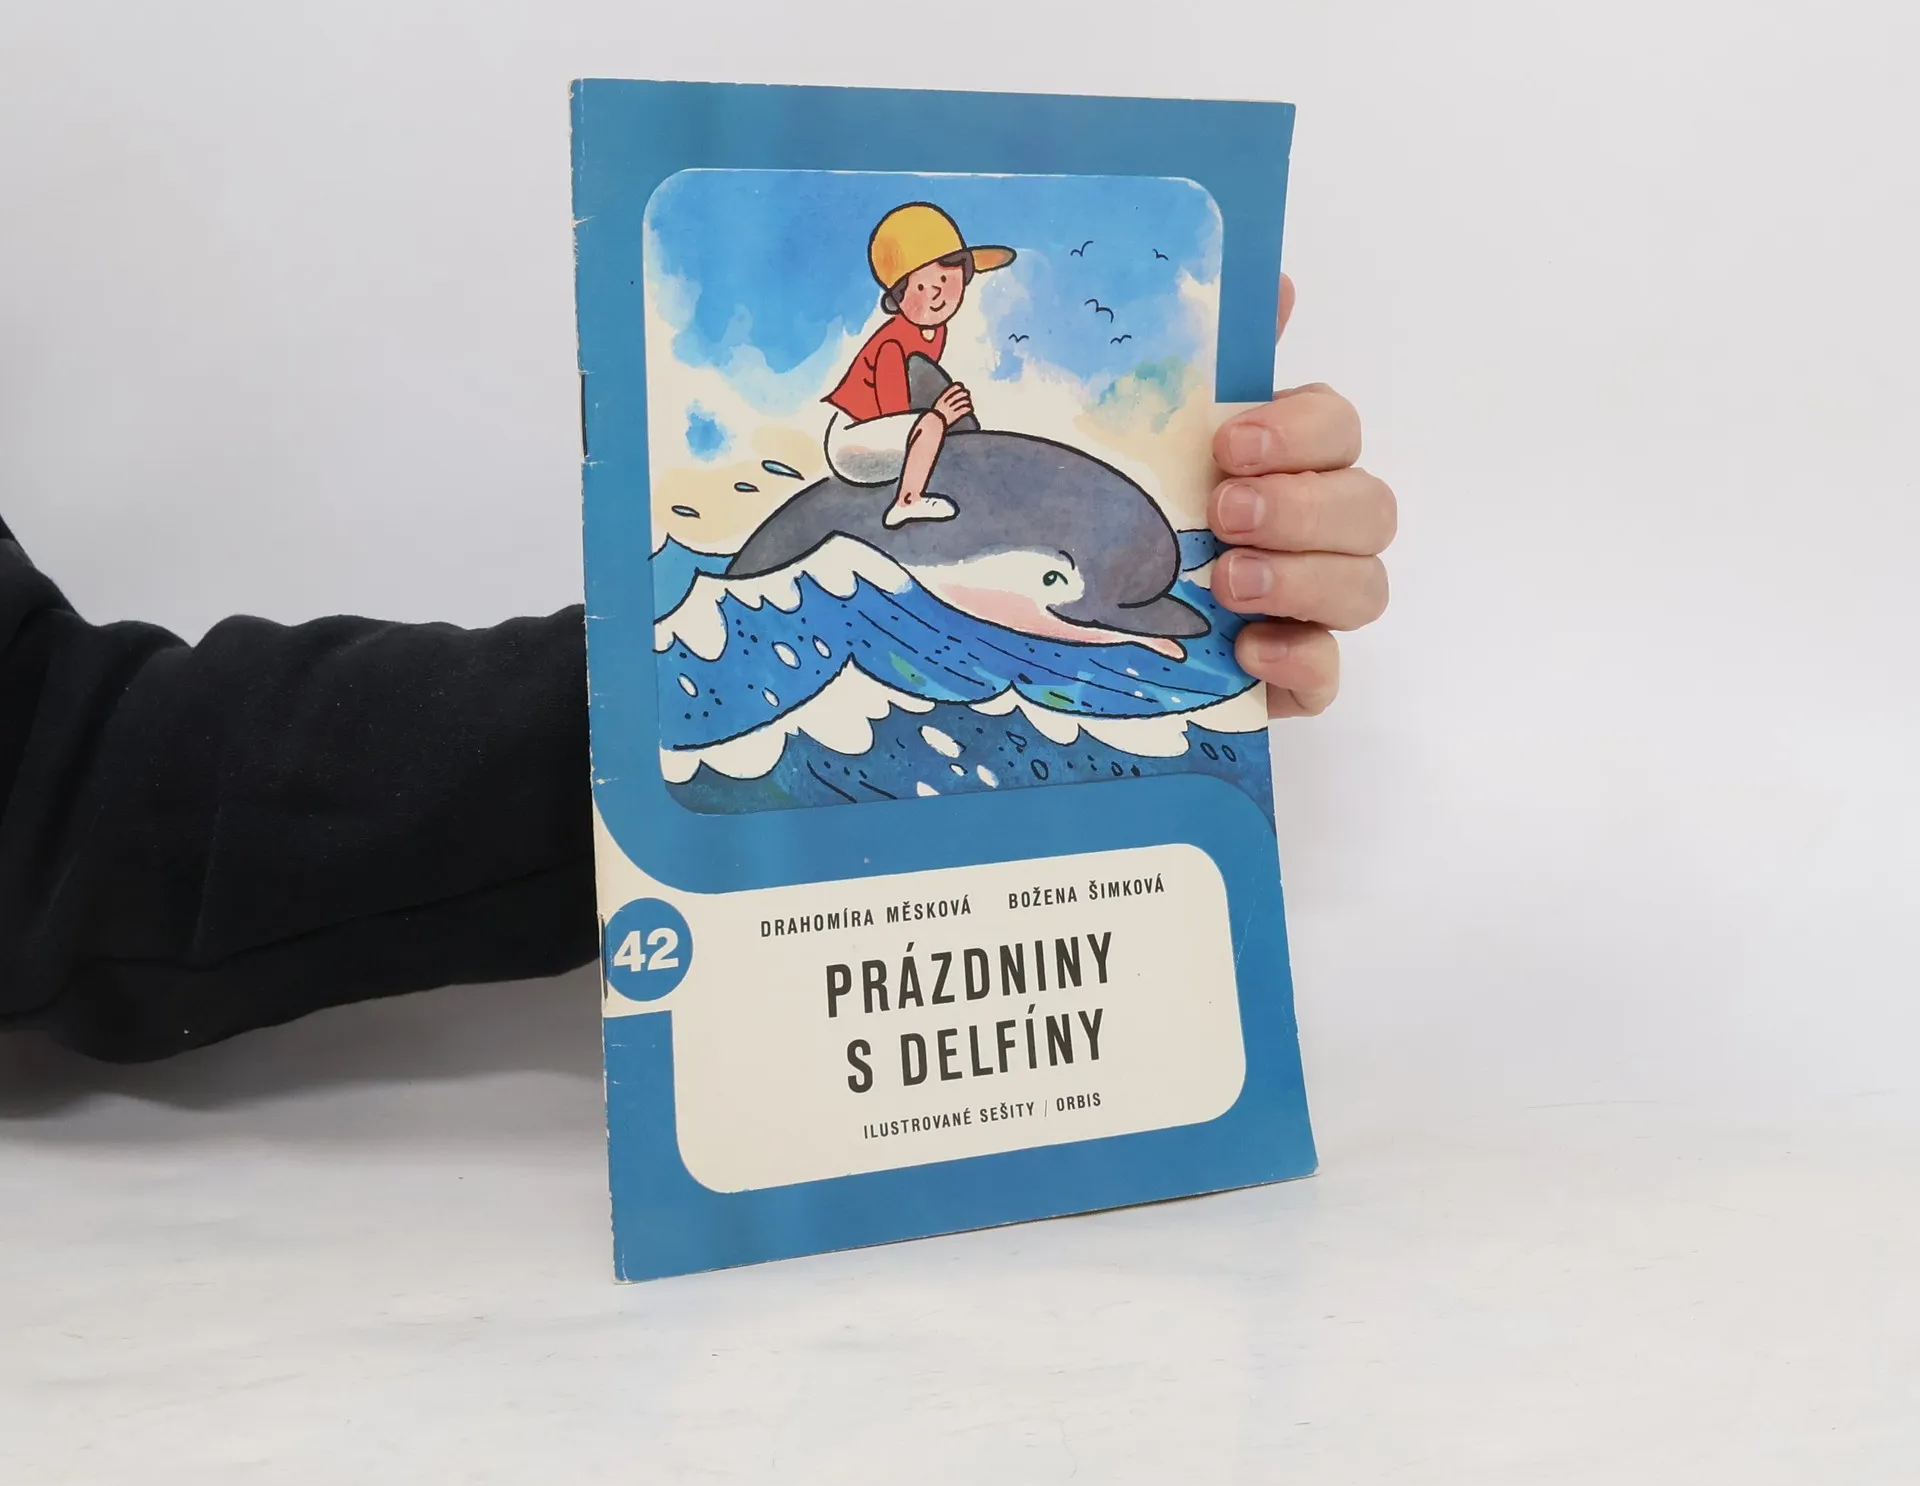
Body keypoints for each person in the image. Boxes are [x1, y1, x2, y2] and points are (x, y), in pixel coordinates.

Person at [0, 277, 1394, 1063]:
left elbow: (55, 775)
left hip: (923, 550)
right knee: (906, 463)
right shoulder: (888, 359)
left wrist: (702, 711)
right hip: (869, 477)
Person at [821, 202, 1013, 526]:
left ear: (965, 273)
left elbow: (921, 381)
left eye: (944, 279)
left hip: (876, 431)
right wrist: (940, 416)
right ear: (899, 299)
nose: (935, 295)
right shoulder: (892, 344)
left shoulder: (935, 330)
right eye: (920, 287)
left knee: (935, 419)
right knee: (932, 421)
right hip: (853, 440)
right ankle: (907, 501)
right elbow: (894, 412)